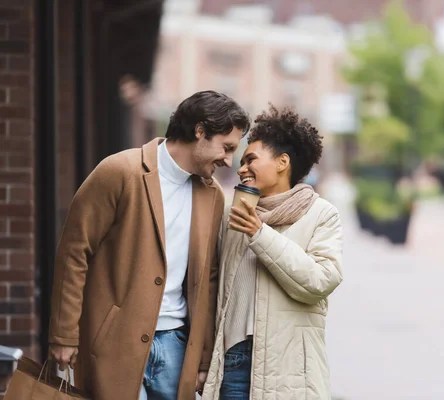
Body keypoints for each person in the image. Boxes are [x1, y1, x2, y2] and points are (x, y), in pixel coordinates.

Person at [47, 91, 250, 400]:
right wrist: (64, 335)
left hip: (177, 347)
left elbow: (207, 280)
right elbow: (74, 254)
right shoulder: (119, 172)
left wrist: (204, 358)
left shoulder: (212, 195)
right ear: (200, 130)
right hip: (115, 342)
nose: (228, 160)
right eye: (227, 147)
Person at [202, 105, 344, 399]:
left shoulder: (321, 215)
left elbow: (320, 281)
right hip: (233, 364)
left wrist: (259, 233)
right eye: (241, 160)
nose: (241, 168)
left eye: (251, 159)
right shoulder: (233, 216)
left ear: (282, 162)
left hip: (289, 370)